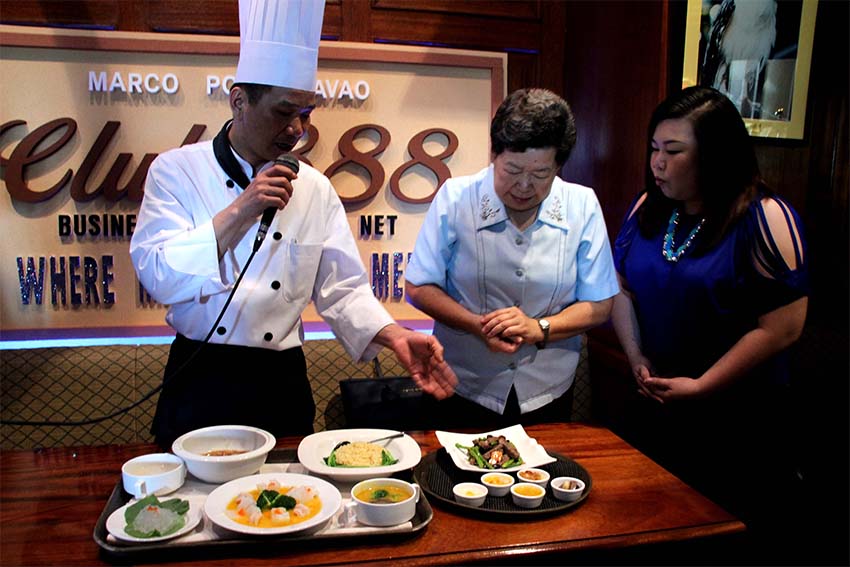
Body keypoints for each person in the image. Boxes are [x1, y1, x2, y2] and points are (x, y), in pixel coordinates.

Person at [129, 0, 455, 448]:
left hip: (280, 381)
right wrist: (242, 209)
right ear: (239, 101)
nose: (297, 130)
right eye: (284, 113)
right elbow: (159, 276)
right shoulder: (175, 171)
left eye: (307, 114)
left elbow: (342, 289)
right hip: (200, 376)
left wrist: (394, 334)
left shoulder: (314, 188)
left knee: (289, 507)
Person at [610, 86, 807, 552]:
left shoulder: (765, 216)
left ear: (715, 155)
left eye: (673, 151)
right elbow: (618, 286)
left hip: (736, 421)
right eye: (654, 149)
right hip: (656, 404)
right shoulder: (648, 207)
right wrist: (635, 354)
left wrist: (702, 385)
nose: (657, 163)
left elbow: (783, 327)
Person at [405, 88, 619, 430]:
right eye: (512, 170)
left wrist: (539, 328)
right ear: (494, 155)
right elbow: (418, 286)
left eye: (540, 175)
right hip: (462, 385)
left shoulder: (582, 205)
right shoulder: (457, 198)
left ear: (559, 165)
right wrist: (477, 325)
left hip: (547, 390)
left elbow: (600, 303)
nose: (523, 185)